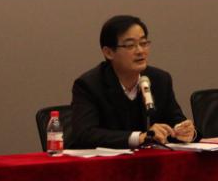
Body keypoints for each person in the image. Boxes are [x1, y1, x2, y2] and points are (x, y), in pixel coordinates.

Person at [68, 15, 196, 149]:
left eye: (143, 43)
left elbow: (177, 121)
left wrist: (186, 131)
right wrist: (139, 137)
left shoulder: (160, 79)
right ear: (109, 52)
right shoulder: (89, 85)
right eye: (130, 45)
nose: (140, 51)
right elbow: (85, 134)